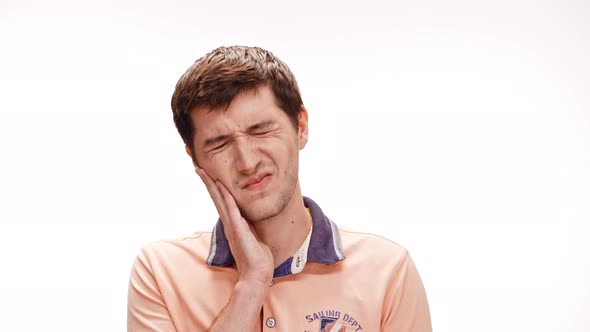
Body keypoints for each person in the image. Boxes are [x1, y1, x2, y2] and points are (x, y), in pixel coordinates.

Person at [127, 45, 432, 332]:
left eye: (260, 130)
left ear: (301, 127)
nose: (247, 162)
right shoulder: (160, 272)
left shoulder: (387, 271)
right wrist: (251, 284)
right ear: (196, 161)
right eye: (219, 144)